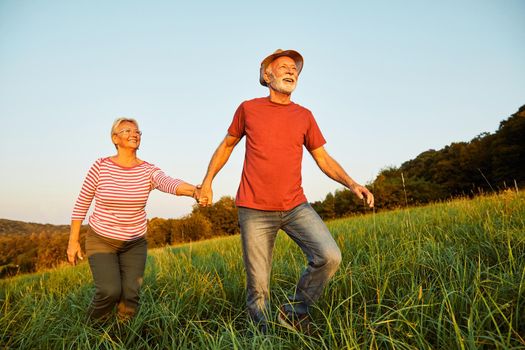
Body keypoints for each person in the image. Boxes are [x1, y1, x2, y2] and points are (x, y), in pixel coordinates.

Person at [198, 49, 374, 333]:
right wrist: (207, 181)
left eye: (294, 68)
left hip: (295, 206)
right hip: (254, 209)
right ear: (267, 75)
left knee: (329, 256)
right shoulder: (248, 108)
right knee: (258, 286)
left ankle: (294, 311)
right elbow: (227, 145)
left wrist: (352, 183)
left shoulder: (304, 116)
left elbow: (323, 158)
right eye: (283, 67)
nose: (291, 71)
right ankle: (263, 337)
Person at [67, 117, 201, 321]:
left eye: (137, 131)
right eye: (127, 131)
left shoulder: (148, 170)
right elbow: (81, 204)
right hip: (102, 239)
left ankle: (122, 336)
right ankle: (91, 330)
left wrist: (195, 191)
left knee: (130, 295)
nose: (134, 134)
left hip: (134, 242)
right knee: (109, 291)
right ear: (115, 138)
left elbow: (168, 182)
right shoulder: (100, 166)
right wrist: (73, 241)